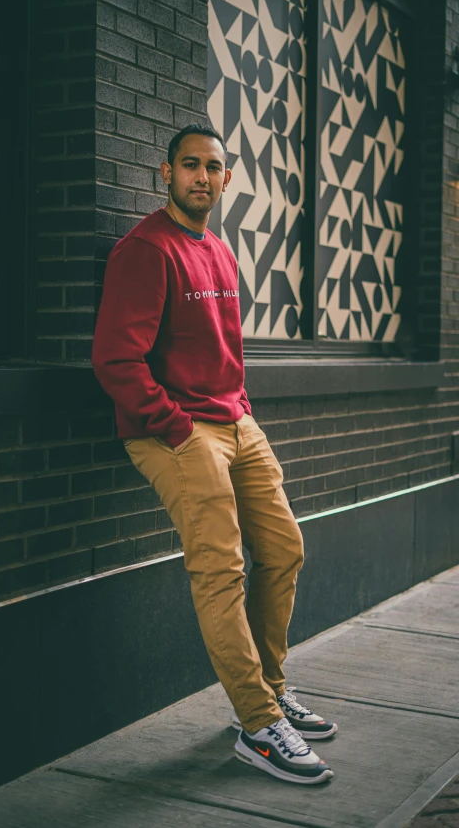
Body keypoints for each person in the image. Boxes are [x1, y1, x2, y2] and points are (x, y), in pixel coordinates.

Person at [92, 123, 338, 785]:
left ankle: (268, 689)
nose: (204, 175)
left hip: (233, 419)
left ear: (228, 178)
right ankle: (258, 724)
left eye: (215, 167)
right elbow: (115, 358)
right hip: (175, 429)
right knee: (221, 564)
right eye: (191, 165)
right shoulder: (144, 251)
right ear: (165, 174)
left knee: (284, 546)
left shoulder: (222, 253)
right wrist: (174, 424)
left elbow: (225, 349)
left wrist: (241, 410)